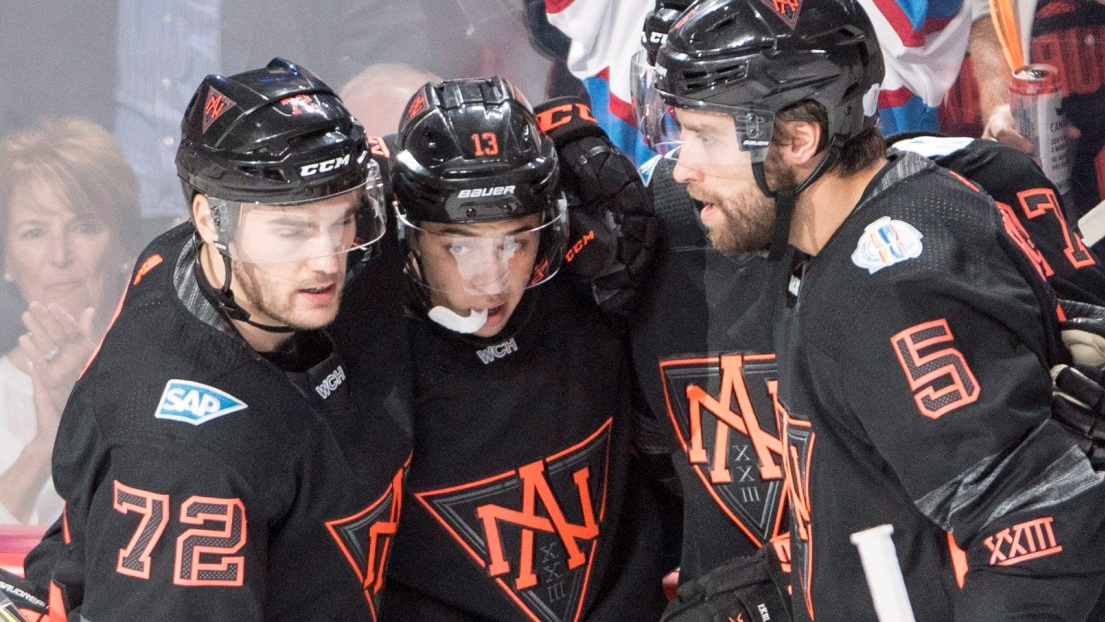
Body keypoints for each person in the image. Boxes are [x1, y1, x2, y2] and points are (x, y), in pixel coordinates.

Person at [641, 0, 1105, 619]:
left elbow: (1039, 537)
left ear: (800, 138)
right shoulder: (889, 208)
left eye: (704, 136)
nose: (683, 167)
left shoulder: (886, 290)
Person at [22, 58, 412, 621]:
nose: (327, 259)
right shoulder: (188, 465)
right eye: (291, 230)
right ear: (210, 221)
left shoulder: (179, 253)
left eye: (341, 219)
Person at [379, 76, 667, 621]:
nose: (491, 278)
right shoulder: (362, 341)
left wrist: (572, 127)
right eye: (458, 245)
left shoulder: (597, 286)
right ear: (408, 234)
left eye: (515, 239)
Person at [0, 117, 142, 525]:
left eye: (84, 227)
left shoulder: (168, 375)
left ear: (123, 247)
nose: (59, 255)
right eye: (33, 233)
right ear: (9, 258)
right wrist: (48, 444)